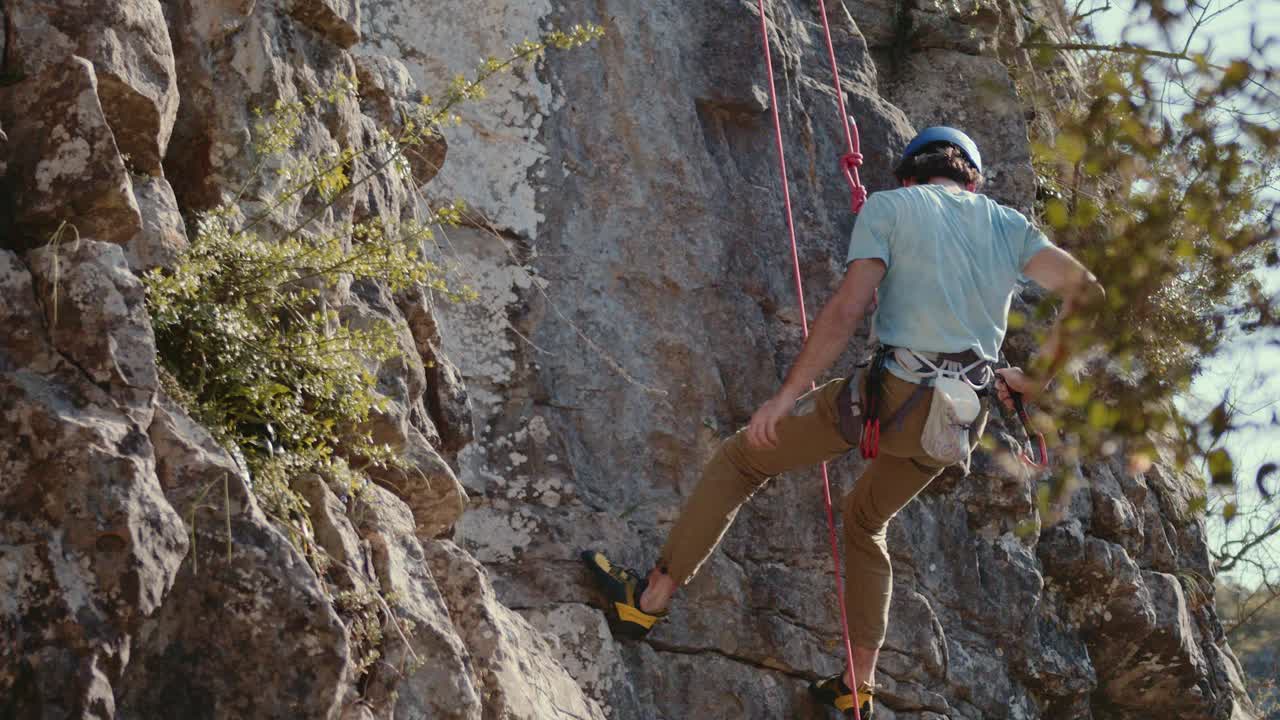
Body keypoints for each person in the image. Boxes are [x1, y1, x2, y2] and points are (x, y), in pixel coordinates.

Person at [582, 127, 1104, 717]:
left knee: (742, 459)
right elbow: (1088, 290)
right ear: (973, 180)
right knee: (866, 522)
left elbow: (847, 310)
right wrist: (1036, 381)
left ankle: (646, 601)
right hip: (957, 420)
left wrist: (784, 398)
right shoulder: (1008, 225)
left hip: (890, 397)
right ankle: (859, 688)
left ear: (910, 173)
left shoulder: (892, 206)